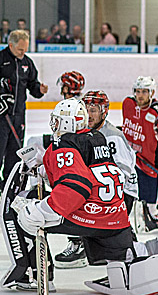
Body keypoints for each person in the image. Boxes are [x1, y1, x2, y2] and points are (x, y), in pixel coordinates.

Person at [3, 99, 158, 295]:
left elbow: (75, 186)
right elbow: (86, 172)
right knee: (125, 261)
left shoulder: (64, 145)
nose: (54, 125)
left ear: (66, 123)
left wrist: (41, 211)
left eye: (57, 121)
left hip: (91, 215)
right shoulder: (98, 138)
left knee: (21, 209)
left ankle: (30, 275)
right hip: (116, 215)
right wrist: (45, 167)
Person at [53, 90, 141, 269]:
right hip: (107, 192)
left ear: (104, 111)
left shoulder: (113, 136)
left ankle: (82, 244)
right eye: (85, 109)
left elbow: (122, 174)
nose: (89, 114)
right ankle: (105, 242)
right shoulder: (85, 133)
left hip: (121, 195)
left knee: (77, 193)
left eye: (93, 109)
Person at [0, 30, 47, 199]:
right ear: (11, 45)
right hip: (0, 114)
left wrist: (39, 90)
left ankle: (9, 183)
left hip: (18, 114)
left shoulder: (27, 62)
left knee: (15, 150)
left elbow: (32, 85)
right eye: (20, 49)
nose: (22, 53)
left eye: (25, 49)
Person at [121, 76, 158, 230]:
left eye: (145, 91)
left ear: (152, 92)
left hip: (150, 162)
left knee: (150, 201)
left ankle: (154, 211)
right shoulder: (127, 104)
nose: (140, 95)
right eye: (137, 91)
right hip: (129, 159)